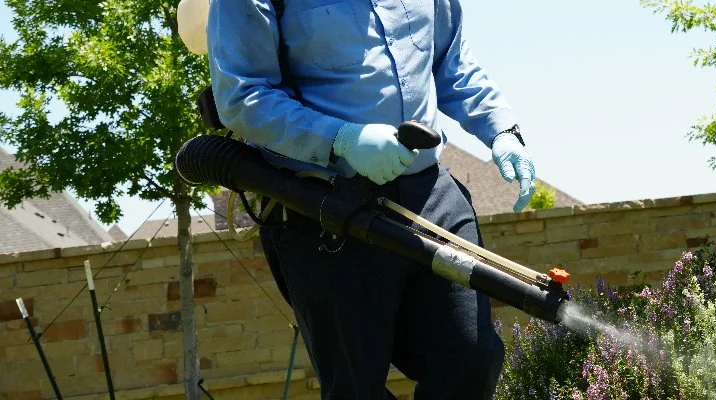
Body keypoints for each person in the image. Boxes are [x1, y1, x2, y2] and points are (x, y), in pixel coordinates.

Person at [206, 0, 537, 399]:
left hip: (430, 194)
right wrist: (343, 139)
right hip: (324, 208)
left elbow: (451, 61)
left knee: (471, 359)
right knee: (356, 388)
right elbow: (243, 97)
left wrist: (500, 128)